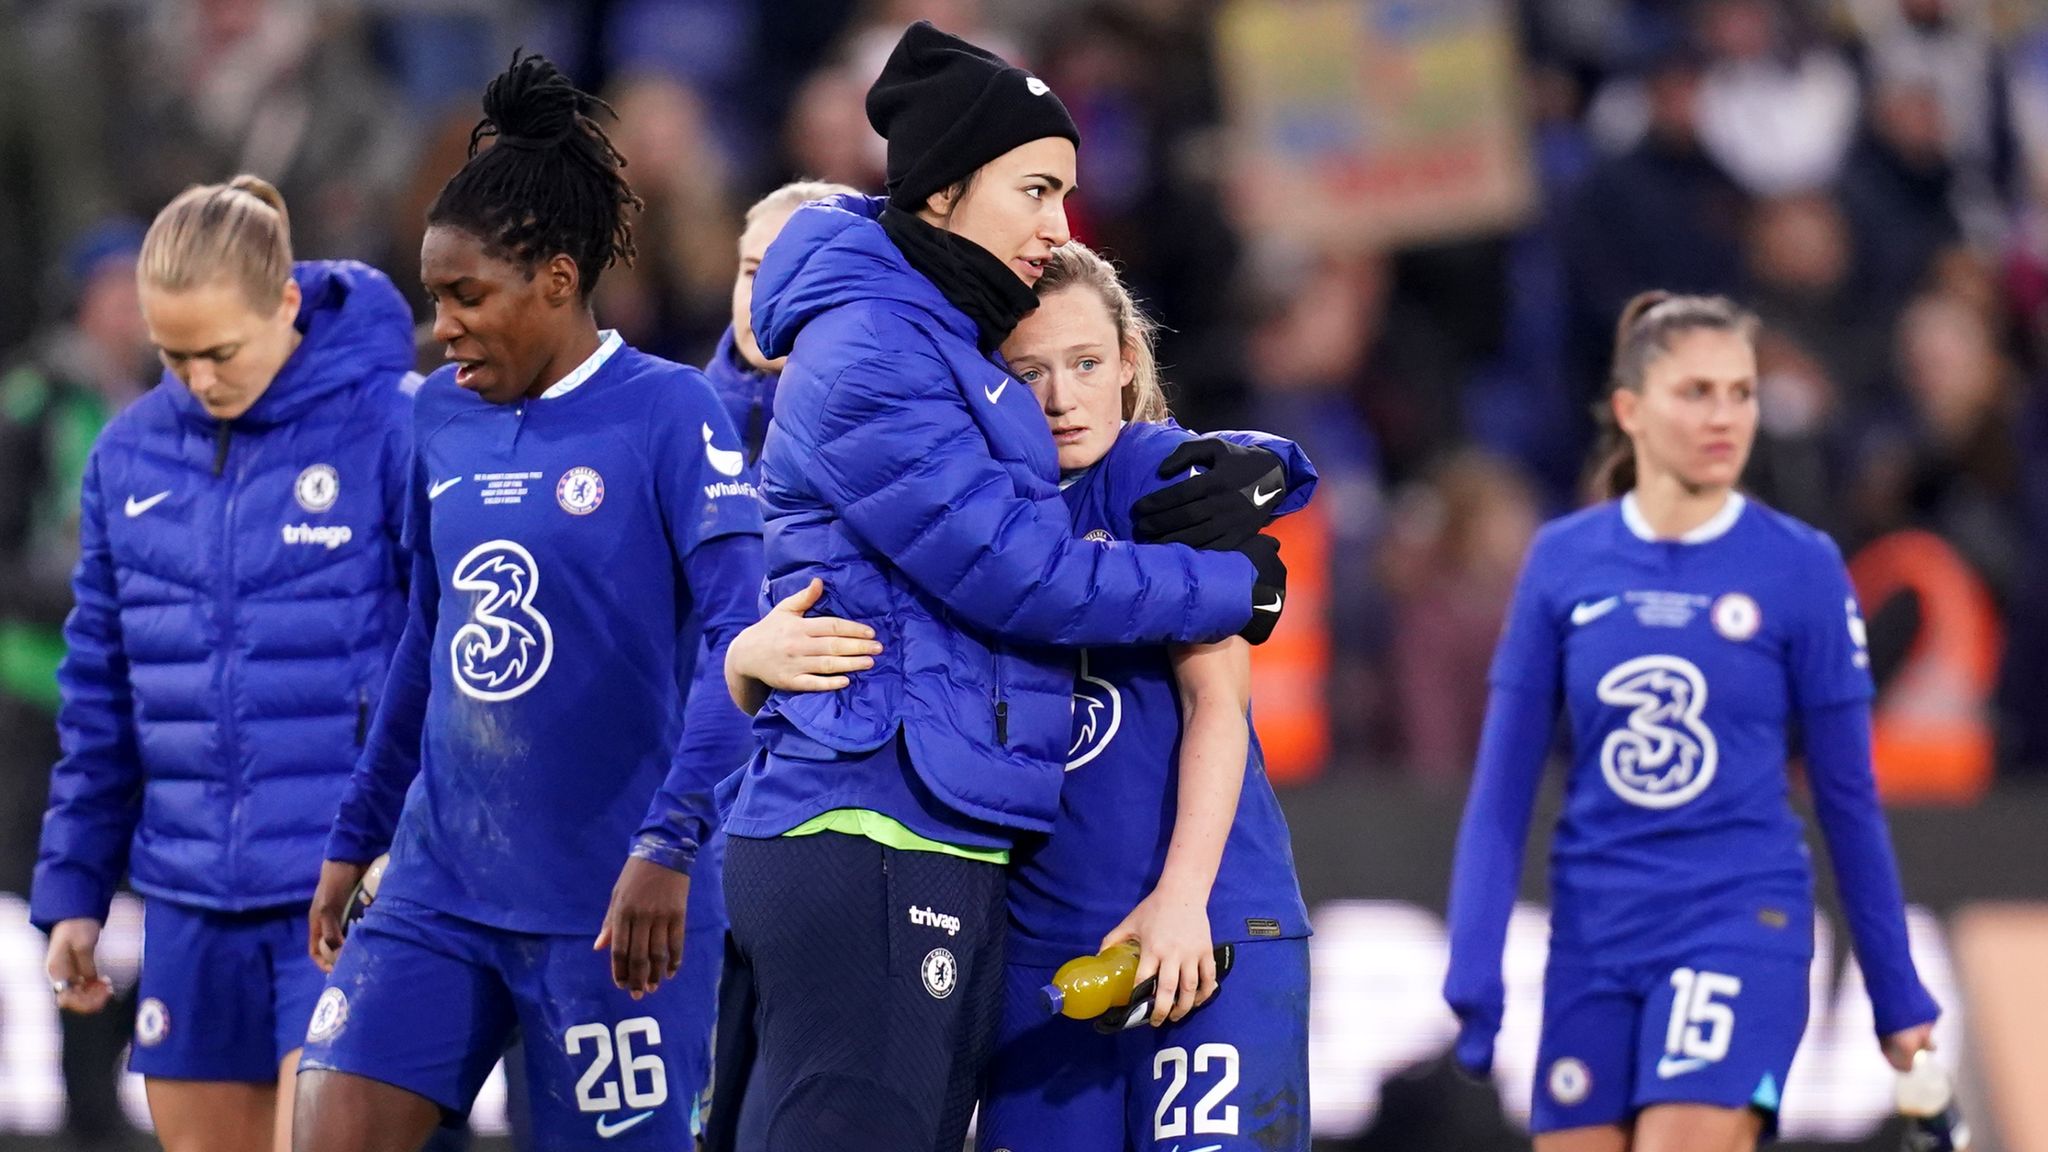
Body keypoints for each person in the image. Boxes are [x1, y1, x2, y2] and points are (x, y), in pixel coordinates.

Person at [721, 22, 1297, 1151]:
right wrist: (1231, 584)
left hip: (941, 832)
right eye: (1035, 190)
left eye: (1066, 195)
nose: (1056, 226)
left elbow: (1196, 468)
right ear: (941, 192)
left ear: (1129, 360)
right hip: (874, 826)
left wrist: (1255, 486)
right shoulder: (878, 346)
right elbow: (1018, 575)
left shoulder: (942, 342)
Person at [293, 51, 761, 1152]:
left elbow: (741, 647)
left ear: (557, 278)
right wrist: (358, 829)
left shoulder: (671, 415)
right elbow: (429, 632)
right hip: (439, 885)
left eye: (466, 296)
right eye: (431, 297)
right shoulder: (436, 420)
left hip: (614, 903)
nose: (442, 326)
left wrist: (671, 847)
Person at [1443, 292, 1942, 1152]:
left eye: (1741, 393)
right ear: (1631, 410)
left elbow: (1849, 798)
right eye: (1697, 393)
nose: (1726, 417)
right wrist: (1474, 966)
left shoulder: (1799, 567)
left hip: (1737, 922)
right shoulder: (1565, 561)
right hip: (1593, 937)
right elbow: (1501, 792)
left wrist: (1896, 995)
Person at [29, 177, 418, 1152]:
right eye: (172, 355)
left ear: (285, 304)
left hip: (343, 899)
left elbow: (445, 659)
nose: (198, 378)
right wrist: (75, 886)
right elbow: (102, 700)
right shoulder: (127, 457)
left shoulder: (394, 428)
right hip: (189, 905)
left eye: (220, 351)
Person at [695, 177, 859, 1152]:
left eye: (797, 270)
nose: (767, 297)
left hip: (824, 829)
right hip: (688, 834)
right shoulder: (671, 427)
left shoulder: (898, 425)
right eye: (753, 269)